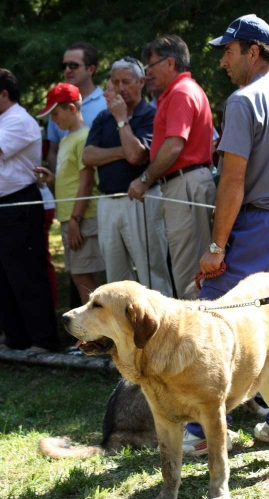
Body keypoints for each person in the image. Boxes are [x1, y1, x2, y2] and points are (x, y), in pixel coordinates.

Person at [178, 14, 269, 454]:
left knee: (215, 317)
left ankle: (201, 432)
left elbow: (232, 181)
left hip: (254, 225)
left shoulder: (242, 101)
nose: (223, 62)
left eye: (229, 52)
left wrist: (216, 248)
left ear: (253, 52)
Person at [127, 34, 216, 298]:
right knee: (190, 272)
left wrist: (144, 180)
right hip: (183, 185)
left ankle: (197, 339)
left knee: (191, 277)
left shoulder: (181, 92)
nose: (147, 74)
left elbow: (174, 145)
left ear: (169, 63)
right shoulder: (178, 92)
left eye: (150, 66)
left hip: (185, 185)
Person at [83, 57, 172, 296]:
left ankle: (161, 329)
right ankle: (123, 331)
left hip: (141, 201)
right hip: (107, 203)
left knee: (151, 273)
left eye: (127, 82)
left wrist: (122, 120)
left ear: (141, 82)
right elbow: (88, 156)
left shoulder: (150, 115)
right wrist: (123, 151)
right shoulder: (103, 117)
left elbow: (136, 156)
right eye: (116, 82)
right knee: (115, 280)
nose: (121, 88)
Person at [0, 69, 59, 352]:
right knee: (4, 274)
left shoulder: (19, 120)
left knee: (26, 274)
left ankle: (43, 339)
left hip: (19, 203)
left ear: (4, 94)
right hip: (4, 206)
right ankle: (16, 336)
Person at [35, 83, 104, 305]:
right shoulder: (66, 139)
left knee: (85, 277)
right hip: (70, 219)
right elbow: (74, 176)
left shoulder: (84, 137)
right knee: (79, 276)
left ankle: (96, 336)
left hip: (82, 219)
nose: (53, 120)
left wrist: (76, 219)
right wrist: (53, 179)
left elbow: (85, 183)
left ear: (72, 109)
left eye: (55, 113)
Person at [47, 42, 107, 173]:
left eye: (73, 65)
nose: (67, 70)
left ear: (91, 69)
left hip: (98, 190)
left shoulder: (107, 103)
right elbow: (53, 150)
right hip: (66, 190)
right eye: (64, 66)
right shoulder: (57, 106)